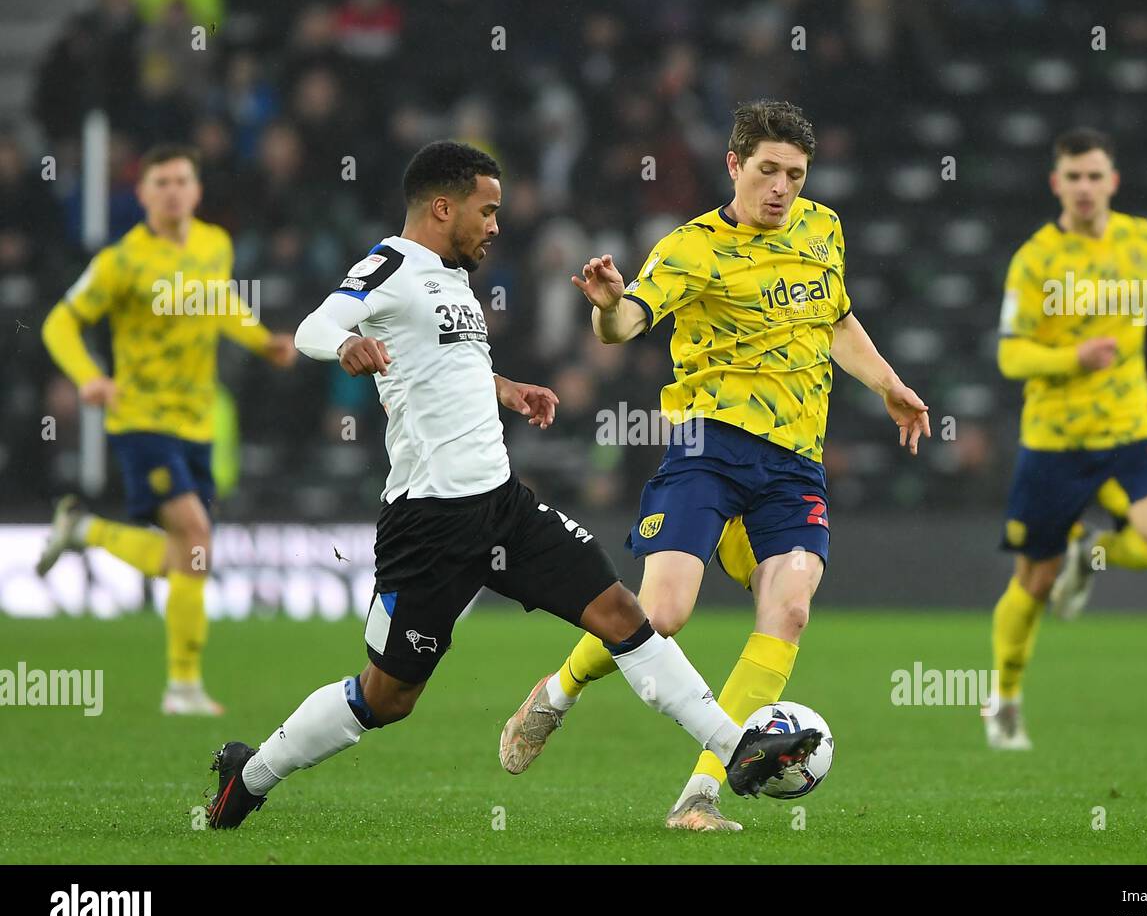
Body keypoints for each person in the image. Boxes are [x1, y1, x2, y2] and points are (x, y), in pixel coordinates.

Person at [206, 141, 821, 830]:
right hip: (429, 524)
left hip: (503, 506)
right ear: (443, 208)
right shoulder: (393, 264)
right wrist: (344, 346)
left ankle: (737, 750)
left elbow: (439, 361)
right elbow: (317, 326)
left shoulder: (452, 275)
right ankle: (250, 775)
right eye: (486, 210)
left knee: (622, 614)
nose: (496, 225)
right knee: (388, 697)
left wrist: (504, 388)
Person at [499, 100, 930, 831]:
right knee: (662, 615)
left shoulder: (823, 229)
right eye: (767, 171)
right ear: (734, 165)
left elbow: (838, 319)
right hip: (710, 451)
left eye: (795, 174)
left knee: (790, 608)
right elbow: (626, 321)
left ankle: (700, 794)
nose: (782, 189)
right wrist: (607, 308)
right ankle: (558, 691)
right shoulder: (690, 248)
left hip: (794, 465)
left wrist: (888, 383)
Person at [38, 144, 296, 715]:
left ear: (197, 191)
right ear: (143, 193)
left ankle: (85, 531)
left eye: (183, 180)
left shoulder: (214, 244)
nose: (174, 190)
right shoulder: (121, 262)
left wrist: (262, 340)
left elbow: (220, 304)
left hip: (197, 423)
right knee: (197, 537)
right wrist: (88, 377)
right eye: (162, 182)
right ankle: (181, 689)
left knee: (187, 554)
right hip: (140, 420)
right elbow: (59, 322)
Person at [985, 128, 1147, 750]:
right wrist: (1072, 358)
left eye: (1094, 176)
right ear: (1057, 183)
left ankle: (1091, 553)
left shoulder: (1143, 239)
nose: (1084, 187)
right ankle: (1003, 700)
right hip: (1055, 440)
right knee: (1033, 581)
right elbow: (1009, 357)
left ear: (1113, 181)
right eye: (1072, 177)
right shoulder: (1035, 260)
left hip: (1129, 430)